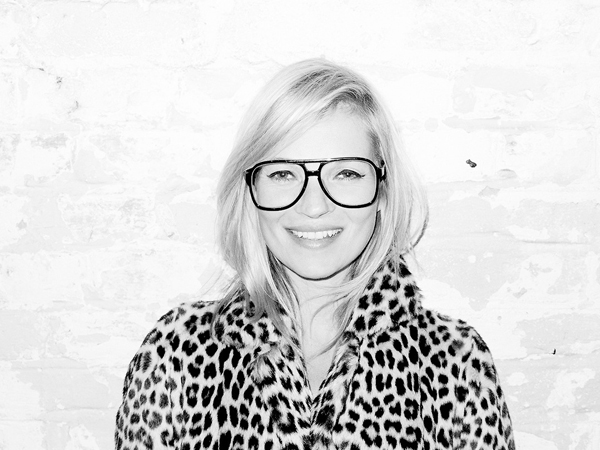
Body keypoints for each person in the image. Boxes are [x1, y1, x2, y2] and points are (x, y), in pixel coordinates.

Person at [115, 59, 515, 450]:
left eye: (345, 173)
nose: (313, 206)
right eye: (283, 173)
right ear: (250, 190)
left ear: (383, 190)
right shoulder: (176, 353)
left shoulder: (455, 361)